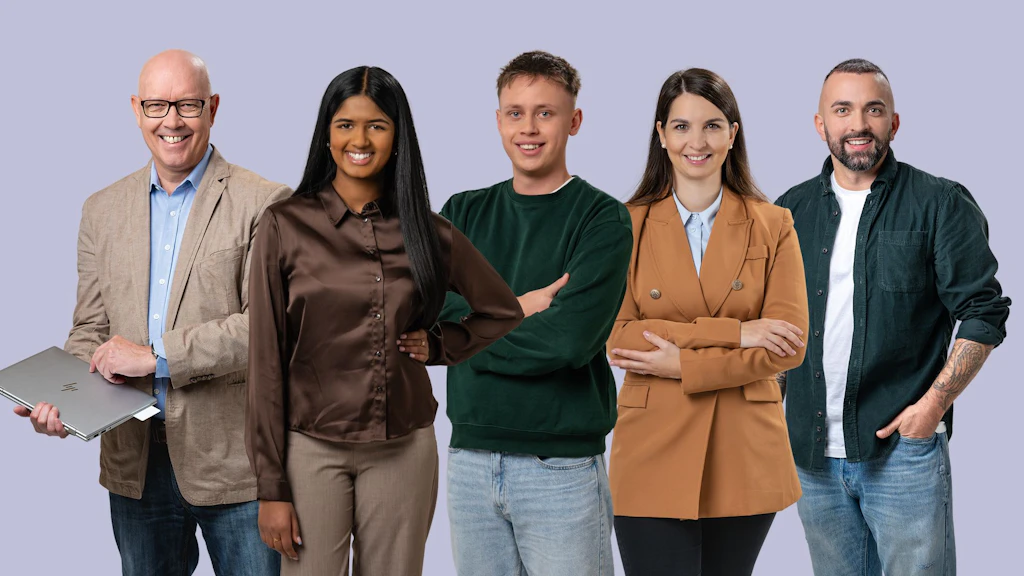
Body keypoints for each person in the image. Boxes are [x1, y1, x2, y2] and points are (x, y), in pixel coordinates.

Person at [14, 49, 291, 575]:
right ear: (137, 109)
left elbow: (268, 326)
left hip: (234, 463)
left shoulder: (266, 201)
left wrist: (155, 356)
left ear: (212, 107)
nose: (172, 121)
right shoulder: (101, 209)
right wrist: (64, 402)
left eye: (187, 105)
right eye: (157, 105)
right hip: (134, 462)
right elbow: (91, 328)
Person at [245, 65, 523, 576]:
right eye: (345, 124)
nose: (360, 139)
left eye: (376, 125)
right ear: (326, 133)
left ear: (397, 136)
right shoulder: (284, 225)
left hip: (404, 451)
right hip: (310, 451)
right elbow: (264, 363)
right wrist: (270, 488)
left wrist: (440, 346)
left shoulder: (428, 232)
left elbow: (501, 311)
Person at [776, 58, 1011, 576]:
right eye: (843, 109)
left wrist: (933, 406)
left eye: (872, 109)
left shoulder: (939, 203)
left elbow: (982, 312)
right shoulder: (789, 211)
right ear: (821, 125)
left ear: (893, 123)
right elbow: (776, 321)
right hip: (811, 458)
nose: (857, 124)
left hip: (902, 453)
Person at [430, 50, 631, 576]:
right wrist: (520, 309)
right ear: (498, 120)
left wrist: (473, 327)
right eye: (515, 112)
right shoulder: (462, 212)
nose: (529, 128)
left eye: (546, 112)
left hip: (559, 468)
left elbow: (568, 341)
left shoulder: (601, 218)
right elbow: (429, 320)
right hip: (469, 459)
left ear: (574, 121)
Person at [606, 68, 807, 576]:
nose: (697, 141)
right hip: (651, 447)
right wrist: (737, 332)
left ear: (733, 133)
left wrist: (682, 365)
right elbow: (619, 337)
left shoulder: (773, 223)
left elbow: (789, 346)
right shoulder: (623, 224)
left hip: (743, 448)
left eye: (713, 126)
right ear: (661, 134)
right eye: (681, 127)